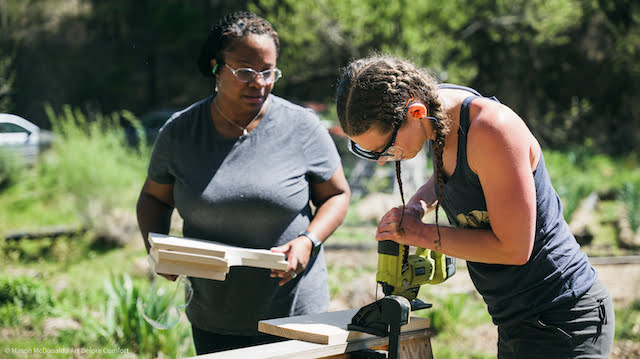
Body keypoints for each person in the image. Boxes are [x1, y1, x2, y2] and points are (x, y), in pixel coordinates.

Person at [335, 54, 614, 358]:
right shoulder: (438, 114)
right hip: (516, 320)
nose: (385, 159)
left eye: (386, 148)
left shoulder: (492, 129)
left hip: (565, 317)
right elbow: (456, 171)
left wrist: (419, 234)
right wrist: (417, 206)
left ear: (415, 111)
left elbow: (515, 249)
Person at [136, 11, 350, 354]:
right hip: (214, 315)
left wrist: (309, 240)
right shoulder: (180, 133)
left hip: (295, 313)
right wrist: (157, 250)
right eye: (245, 71)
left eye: (268, 72)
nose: (259, 82)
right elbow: (153, 199)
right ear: (215, 68)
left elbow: (337, 195)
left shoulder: (302, 127)